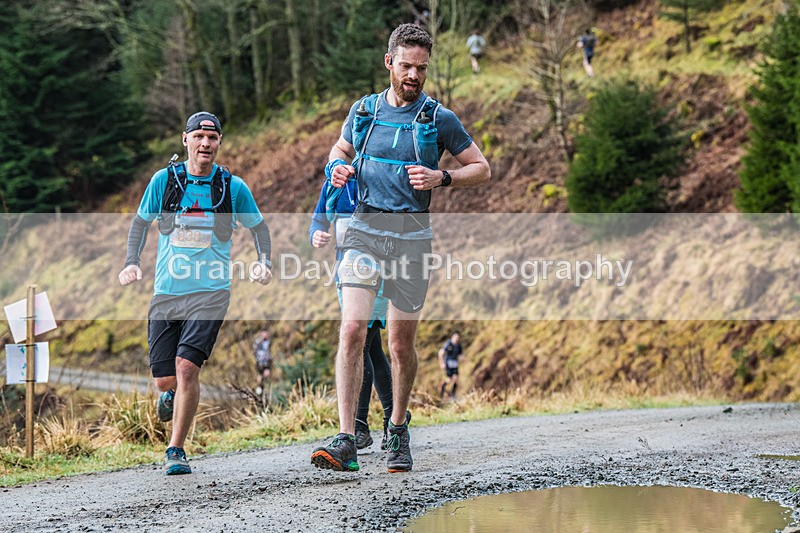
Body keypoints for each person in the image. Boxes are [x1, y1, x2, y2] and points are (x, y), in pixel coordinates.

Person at [310, 23, 491, 474]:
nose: (413, 75)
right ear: (389, 62)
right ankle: (347, 437)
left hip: (412, 239)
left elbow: (481, 168)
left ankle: (397, 427)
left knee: (398, 343)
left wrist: (442, 177)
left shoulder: (438, 118)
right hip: (364, 231)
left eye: (421, 68)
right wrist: (336, 168)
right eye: (407, 66)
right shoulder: (364, 111)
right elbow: (339, 149)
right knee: (353, 328)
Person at [118, 111, 273, 476]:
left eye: (212, 138)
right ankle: (169, 394)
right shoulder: (164, 181)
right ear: (185, 140)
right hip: (167, 291)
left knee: (187, 367)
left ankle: (176, 449)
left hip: (211, 292)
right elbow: (140, 223)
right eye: (199, 137)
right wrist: (131, 263)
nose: (206, 143)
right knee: (165, 379)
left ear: (219, 143)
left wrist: (264, 262)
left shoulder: (233, 187)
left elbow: (260, 229)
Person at [309, 177, 402, 450]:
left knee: (363, 344)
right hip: (346, 277)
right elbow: (318, 221)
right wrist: (316, 235)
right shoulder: (335, 183)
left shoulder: (380, 177)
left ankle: (359, 425)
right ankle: (392, 419)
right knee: (371, 348)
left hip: (379, 274)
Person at [439, 332, 464, 401]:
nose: (457, 339)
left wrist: (462, 358)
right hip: (448, 363)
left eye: (458, 338)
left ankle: (453, 394)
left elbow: (460, 354)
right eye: (456, 337)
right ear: (452, 337)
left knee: (456, 379)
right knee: (449, 379)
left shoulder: (459, 345)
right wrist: (442, 363)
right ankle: (442, 391)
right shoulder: (448, 343)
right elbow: (441, 353)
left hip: (455, 363)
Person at [253, 329, 272, 395]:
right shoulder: (258, 342)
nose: (266, 336)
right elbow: (255, 350)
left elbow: (269, 350)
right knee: (261, 375)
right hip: (260, 362)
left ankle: (262, 387)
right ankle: (259, 387)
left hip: (267, 361)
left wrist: (269, 357)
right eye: (264, 334)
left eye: (267, 334)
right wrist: (259, 356)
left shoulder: (268, 341)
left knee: (266, 374)